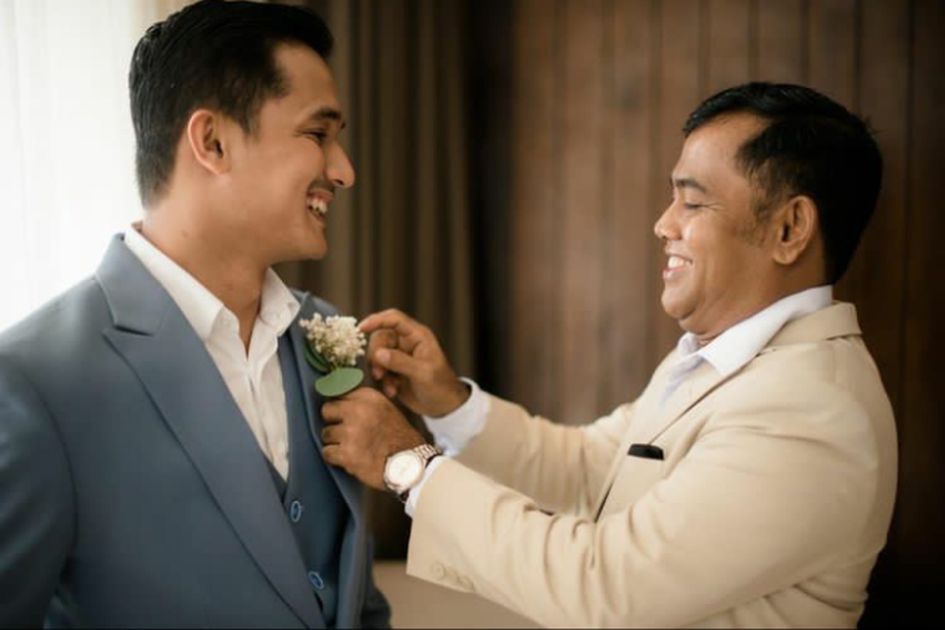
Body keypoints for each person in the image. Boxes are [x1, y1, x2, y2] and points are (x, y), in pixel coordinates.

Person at [319, 82, 897, 627]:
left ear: (790, 228)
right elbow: (586, 470)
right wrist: (448, 403)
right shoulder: (719, 358)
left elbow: (607, 587)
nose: (663, 224)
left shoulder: (812, 412)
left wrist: (410, 467)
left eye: (694, 203)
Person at [0, 1, 389, 626]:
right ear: (212, 142)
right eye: (318, 135)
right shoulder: (35, 382)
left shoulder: (325, 336)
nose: (343, 171)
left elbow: (354, 600)